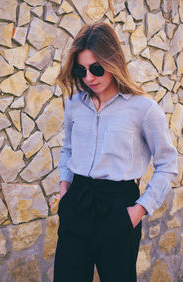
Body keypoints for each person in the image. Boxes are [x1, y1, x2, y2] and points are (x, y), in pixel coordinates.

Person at [53, 22, 178, 282]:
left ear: (113, 62)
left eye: (96, 68)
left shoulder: (143, 109)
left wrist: (140, 210)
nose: (89, 77)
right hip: (77, 202)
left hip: (118, 209)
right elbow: (68, 148)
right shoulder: (75, 105)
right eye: (82, 69)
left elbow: (167, 163)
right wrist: (65, 187)